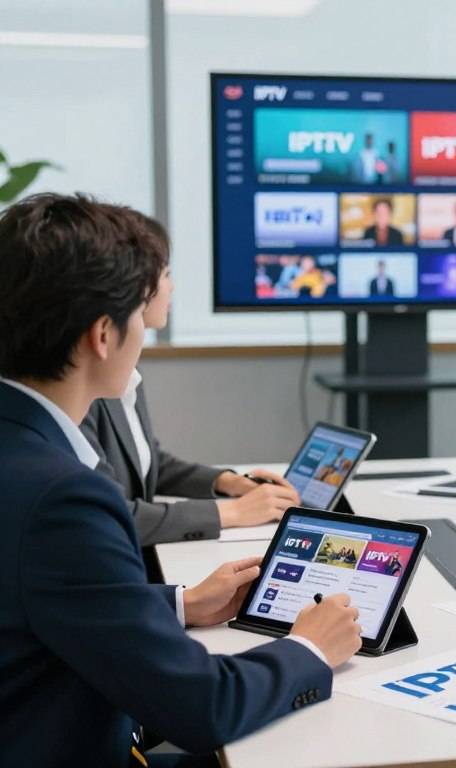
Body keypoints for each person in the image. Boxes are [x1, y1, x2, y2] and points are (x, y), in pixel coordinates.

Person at [0, 193, 362, 766]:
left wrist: (179, 604)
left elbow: (38, 603)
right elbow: (203, 707)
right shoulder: (62, 498)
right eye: (137, 313)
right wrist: (310, 647)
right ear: (102, 335)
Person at [82, 215, 302, 570]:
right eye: (166, 274)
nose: (171, 287)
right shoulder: (85, 387)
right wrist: (231, 512)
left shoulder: (125, 371)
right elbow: (106, 514)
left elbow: (149, 463)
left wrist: (228, 482)